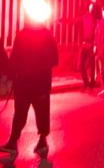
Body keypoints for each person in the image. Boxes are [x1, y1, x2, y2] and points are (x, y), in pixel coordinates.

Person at [0, 19, 58, 158]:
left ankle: (14, 142)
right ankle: (40, 142)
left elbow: (14, 60)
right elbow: (55, 59)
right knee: (39, 113)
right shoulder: (47, 35)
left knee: (21, 113)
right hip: (39, 84)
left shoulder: (23, 35)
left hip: (26, 84)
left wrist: (12, 74)